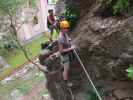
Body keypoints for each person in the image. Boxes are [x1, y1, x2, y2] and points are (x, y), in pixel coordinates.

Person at [58, 20, 74, 86]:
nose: (66, 29)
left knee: (64, 65)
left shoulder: (64, 33)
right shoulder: (61, 38)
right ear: (61, 28)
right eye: (65, 28)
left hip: (64, 55)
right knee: (66, 70)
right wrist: (71, 48)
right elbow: (61, 51)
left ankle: (62, 67)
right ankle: (66, 82)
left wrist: (68, 40)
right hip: (64, 56)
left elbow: (67, 37)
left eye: (67, 28)